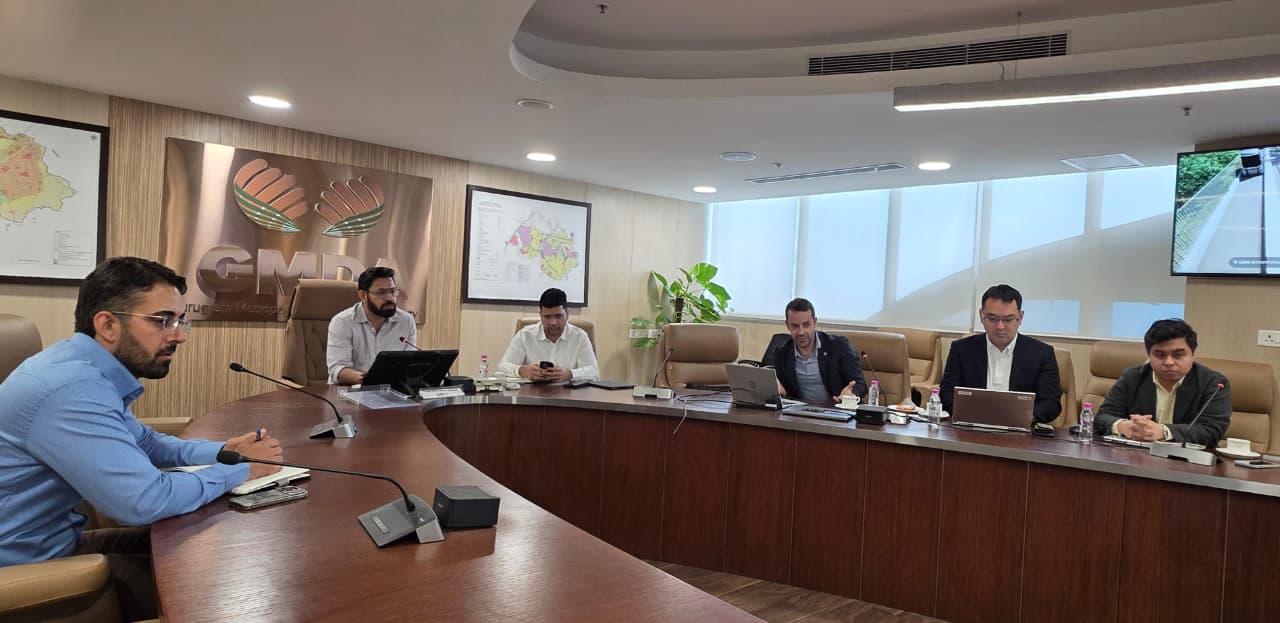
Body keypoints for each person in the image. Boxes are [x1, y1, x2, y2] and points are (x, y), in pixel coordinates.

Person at [0, 256, 284, 622]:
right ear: (107, 324)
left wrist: (225, 451)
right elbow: (145, 501)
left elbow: (146, 443)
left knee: (211, 555)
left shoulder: (78, 366)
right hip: (30, 576)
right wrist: (243, 471)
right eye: (162, 320)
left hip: (55, 542)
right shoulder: (71, 389)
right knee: (219, 594)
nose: (179, 335)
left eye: (180, 321)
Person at [1094, 319, 1230, 445]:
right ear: (1149, 355)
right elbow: (1102, 417)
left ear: (1192, 354)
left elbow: (1212, 430)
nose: (1169, 362)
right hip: (1135, 456)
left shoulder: (1213, 384)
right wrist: (1124, 426)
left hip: (1187, 458)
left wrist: (1163, 432)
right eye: (1160, 355)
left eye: (1178, 355)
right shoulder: (1132, 378)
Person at [939, 284, 1061, 423]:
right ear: (981, 316)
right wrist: (974, 414)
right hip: (970, 426)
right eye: (992, 319)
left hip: (1021, 430)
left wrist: (1022, 417)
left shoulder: (1041, 354)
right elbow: (947, 394)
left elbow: (1051, 403)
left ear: (1020, 317)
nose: (1000, 326)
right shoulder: (961, 349)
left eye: (1008, 320)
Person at [760, 298, 867, 403]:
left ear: (814, 322)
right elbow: (785, 392)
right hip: (798, 411)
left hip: (836, 410)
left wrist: (851, 394)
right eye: (795, 326)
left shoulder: (839, 346)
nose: (801, 332)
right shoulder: (782, 353)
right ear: (787, 325)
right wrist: (780, 391)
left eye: (806, 325)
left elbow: (860, 384)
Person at [327, 266, 418, 385]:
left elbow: (409, 363)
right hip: (349, 391)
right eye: (381, 292)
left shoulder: (406, 321)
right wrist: (371, 379)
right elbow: (338, 370)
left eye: (392, 291)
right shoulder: (343, 322)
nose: (390, 297)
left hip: (390, 390)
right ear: (363, 296)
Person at [497, 288, 599, 382]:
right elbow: (501, 368)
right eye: (547, 317)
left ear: (567, 314)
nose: (553, 322)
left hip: (568, 393)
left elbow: (594, 373)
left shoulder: (579, 337)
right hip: (532, 393)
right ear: (540, 315)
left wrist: (570, 374)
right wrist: (521, 370)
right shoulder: (525, 335)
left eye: (558, 316)